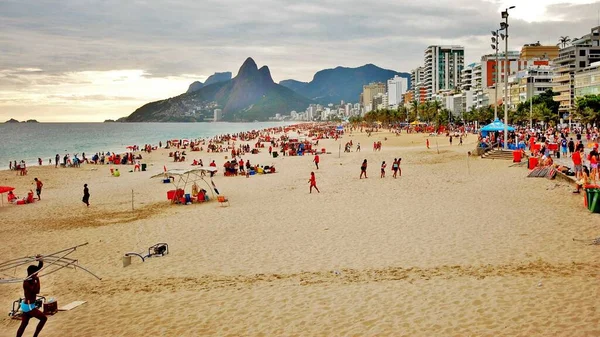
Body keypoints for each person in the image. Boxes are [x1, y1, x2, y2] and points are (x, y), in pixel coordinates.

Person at [16, 255, 47, 337]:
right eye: (35, 273)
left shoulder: (32, 278)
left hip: (28, 305)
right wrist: (38, 280)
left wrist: (40, 260)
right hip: (29, 306)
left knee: (23, 325)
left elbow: (39, 267)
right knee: (44, 319)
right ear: (31, 273)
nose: (37, 274)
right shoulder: (27, 282)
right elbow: (37, 291)